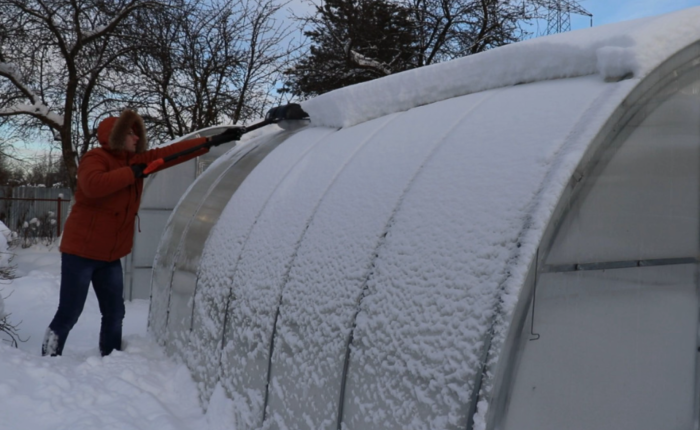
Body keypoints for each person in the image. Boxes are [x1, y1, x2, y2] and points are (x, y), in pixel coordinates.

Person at [42, 109, 242, 357]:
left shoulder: (135, 160)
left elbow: (169, 155)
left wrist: (211, 142)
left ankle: (111, 356)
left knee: (115, 312)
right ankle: (49, 358)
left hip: (110, 255)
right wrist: (133, 173)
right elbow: (92, 185)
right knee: (70, 311)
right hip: (81, 252)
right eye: (130, 133)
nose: (136, 138)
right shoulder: (96, 157)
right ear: (115, 136)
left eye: (137, 134)